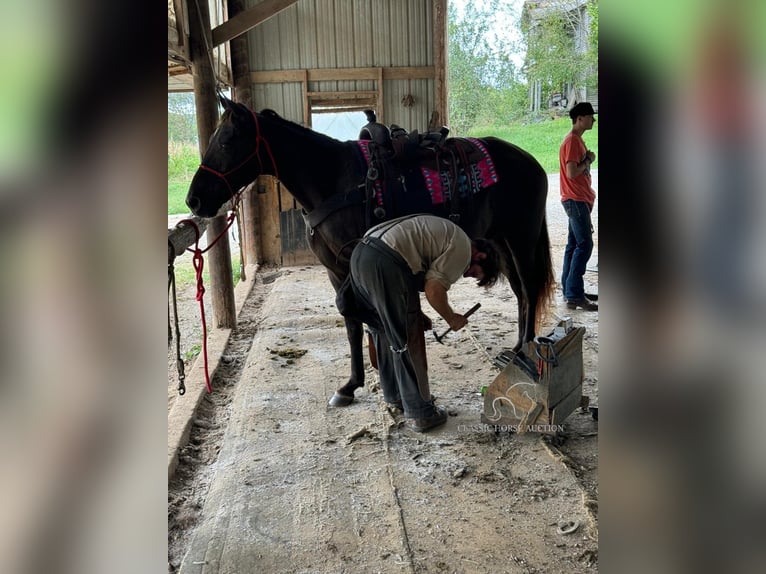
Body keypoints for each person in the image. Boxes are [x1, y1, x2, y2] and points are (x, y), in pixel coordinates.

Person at [347, 214, 500, 432]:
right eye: (474, 273)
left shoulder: (446, 234)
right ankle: (421, 413)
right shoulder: (463, 247)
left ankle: (396, 395)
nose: (466, 276)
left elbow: (414, 271)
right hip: (385, 261)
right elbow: (434, 290)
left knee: (383, 329)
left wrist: (417, 313)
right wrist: (451, 317)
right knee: (407, 337)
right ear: (480, 256)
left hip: (361, 255)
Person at [559, 101, 598, 311]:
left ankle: (569, 288)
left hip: (575, 199)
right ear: (580, 118)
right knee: (585, 245)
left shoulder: (575, 141)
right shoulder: (573, 141)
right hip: (575, 199)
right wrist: (589, 160)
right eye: (591, 116)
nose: (593, 119)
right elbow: (572, 172)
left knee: (573, 245)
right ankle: (574, 293)